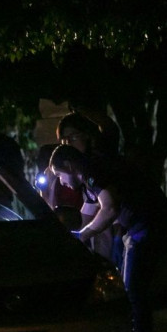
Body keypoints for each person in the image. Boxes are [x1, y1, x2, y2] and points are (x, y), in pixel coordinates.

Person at [49, 144, 167, 332]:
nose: (62, 183)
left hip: (146, 227)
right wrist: (72, 237)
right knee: (132, 296)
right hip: (142, 228)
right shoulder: (91, 178)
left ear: (71, 167)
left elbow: (109, 207)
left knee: (134, 297)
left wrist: (83, 235)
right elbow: (89, 216)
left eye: (60, 176)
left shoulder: (91, 170)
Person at [56, 109, 121, 262]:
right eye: (64, 141)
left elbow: (111, 206)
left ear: (87, 134)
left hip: (131, 230)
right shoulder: (85, 171)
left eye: (72, 138)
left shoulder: (97, 163)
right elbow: (89, 208)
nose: (68, 145)